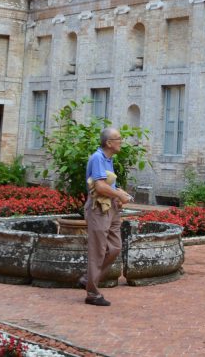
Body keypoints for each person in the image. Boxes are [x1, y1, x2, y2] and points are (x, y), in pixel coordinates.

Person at [81, 127, 133, 306]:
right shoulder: (97, 158)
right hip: (98, 209)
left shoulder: (108, 159)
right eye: (118, 139)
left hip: (110, 208)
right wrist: (118, 195)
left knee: (115, 247)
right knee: (98, 251)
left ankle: (89, 278)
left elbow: (108, 185)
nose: (121, 141)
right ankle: (92, 293)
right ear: (109, 143)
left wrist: (119, 195)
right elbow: (100, 186)